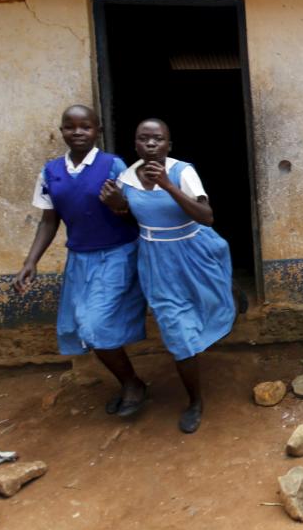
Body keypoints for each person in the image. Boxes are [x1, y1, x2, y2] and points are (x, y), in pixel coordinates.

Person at [100, 118, 235, 434]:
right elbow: (133, 216)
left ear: (168, 145)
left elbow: (207, 216)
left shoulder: (181, 171)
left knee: (212, 303)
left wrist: (168, 185)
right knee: (177, 333)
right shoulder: (126, 179)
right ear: (134, 144)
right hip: (158, 262)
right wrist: (117, 205)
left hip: (196, 252)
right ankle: (195, 401)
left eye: (157, 139)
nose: (150, 144)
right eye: (143, 139)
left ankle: (229, 293)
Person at [14, 105, 149, 417]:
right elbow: (49, 221)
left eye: (85, 127)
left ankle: (132, 383)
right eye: (70, 127)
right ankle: (130, 381)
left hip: (116, 255)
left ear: (97, 131)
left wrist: (120, 204)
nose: (77, 133)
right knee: (82, 326)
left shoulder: (113, 165)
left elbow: (135, 211)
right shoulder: (51, 172)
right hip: (80, 259)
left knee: (95, 327)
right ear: (61, 130)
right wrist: (30, 261)